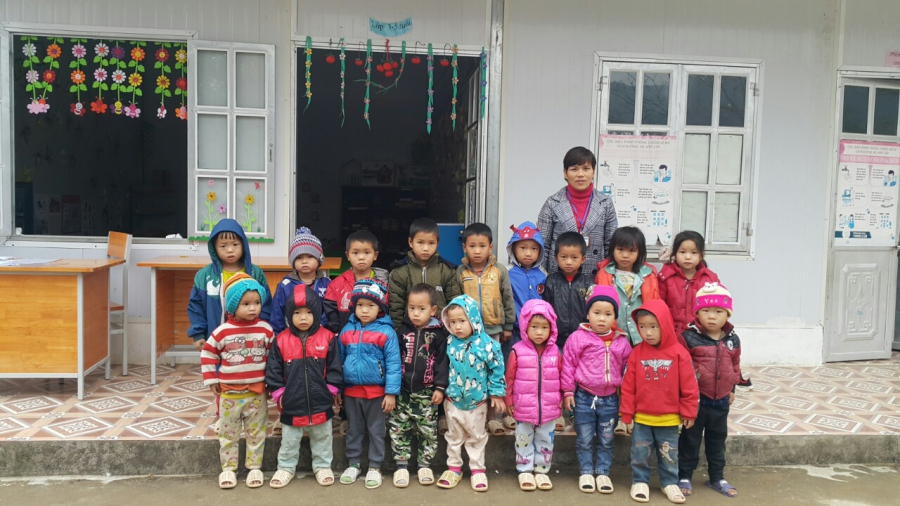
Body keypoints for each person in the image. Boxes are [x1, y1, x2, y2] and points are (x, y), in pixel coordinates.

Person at [620, 300, 698, 504]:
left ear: (665, 324)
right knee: (640, 452)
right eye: (642, 327)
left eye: (654, 326)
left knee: (669, 454)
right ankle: (640, 481)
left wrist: (689, 411)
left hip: (669, 418)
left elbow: (690, 386)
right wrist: (626, 413)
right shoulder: (637, 353)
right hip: (642, 418)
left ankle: (669, 482)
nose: (648, 333)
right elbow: (628, 386)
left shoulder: (679, 353)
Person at [200, 273, 274, 489]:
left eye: (257, 303)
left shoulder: (266, 330)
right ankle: (228, 469)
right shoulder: (222, 332)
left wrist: (273, 383)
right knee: (228, 434)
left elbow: (274, 359)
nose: (253, 308)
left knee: (256, 434)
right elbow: (208, 353)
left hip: (257, 394)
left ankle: (254, 467)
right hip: (229, 395)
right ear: (233, 306)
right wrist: (211, 379)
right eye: (246, 304)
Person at [266, 284, 343, 489]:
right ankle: (286, 467)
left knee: (323, 437)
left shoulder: (328, 338)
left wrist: (331, 390)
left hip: (321, 402)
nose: (303, 318)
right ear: (289, 315)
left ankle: (322, 466)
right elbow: (273, 370)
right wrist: (280, 394)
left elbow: (335, 367)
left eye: (309, 312)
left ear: (317, 313)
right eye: (297, 313)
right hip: (292, 403)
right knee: (289, 440)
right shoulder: (281, 340)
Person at [562, 285, 632, 494]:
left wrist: (626, 397)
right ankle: (585, 471)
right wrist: (568, 391)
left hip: (610, 399)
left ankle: (602, 473)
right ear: (588, 314)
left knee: (607, 439)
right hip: (584, 396)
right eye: (597, 313)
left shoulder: (621, 342)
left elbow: (629, 370)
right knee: (584, 438)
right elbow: (568, 365)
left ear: (615, 317)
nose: (602, 318)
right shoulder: (578, 338)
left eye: (608, 314)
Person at [436, 295, 506, 492]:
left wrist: (497, 393)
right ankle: (454, 468)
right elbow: (441, 367)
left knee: (476, 437)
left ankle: (477, 470)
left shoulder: (488, 345)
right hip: (453, 400)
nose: (457, 326)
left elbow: (497, 370)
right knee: (454, 436)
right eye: (452, 322)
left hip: (477, 402)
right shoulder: (449, 343)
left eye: (462, 321)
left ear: (473, 319)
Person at [678, 283, 740, 499]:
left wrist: (732, 388)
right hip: (696, 401)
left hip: (721, 401)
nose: (712, 316)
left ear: (727, 314)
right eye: (706, 310)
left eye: (718, 311)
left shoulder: (732, 339)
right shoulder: (689, 337)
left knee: (717, 441)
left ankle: (717, 477)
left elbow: (735, 365)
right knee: (690, 440)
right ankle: (684, 476)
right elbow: (682, 369)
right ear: (697, 313)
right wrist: (684, 398)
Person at [338, 279, 401, 489]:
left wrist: (391, 392)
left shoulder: (387, 332)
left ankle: (375, 466)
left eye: (371, 305)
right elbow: (338, 360)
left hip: (376, 393)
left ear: (380, 307)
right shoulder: (347, 331)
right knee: (354, 429)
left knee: (376, 430)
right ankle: (353, 463)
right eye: (360, 305)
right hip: (351, 392)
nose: (364, 310)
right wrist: (338, 389)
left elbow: (394, 364)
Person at [389, 284, 449, 488]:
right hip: (402, 391)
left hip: (427, 393)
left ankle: (425, 465)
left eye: (421, 309)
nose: (415, 313)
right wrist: (392, 388)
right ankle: (401, 466)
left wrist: (440, 388)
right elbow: (394, 360)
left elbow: (442, 363)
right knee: (399, 429)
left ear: (433, 310)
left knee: (428, 431)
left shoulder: (439, 335)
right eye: (411, 308)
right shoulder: (402, 331)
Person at [188, 218, 272, 352]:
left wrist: (263, 329)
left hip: (251, 340)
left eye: (235, 244)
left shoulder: (255, 274)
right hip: (216, 340)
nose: (230, 250)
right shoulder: (204, 276)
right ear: (214, 248)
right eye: (223, 246)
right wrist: (198, 334)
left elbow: (266, 305)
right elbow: (196, 307)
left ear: (243, 245)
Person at [504, 299, 562, 492]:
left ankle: (542, 470)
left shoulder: (555, 351)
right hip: (523, 406)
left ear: (552, 328)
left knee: (546, 440)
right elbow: (509, 378)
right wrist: (509, 399)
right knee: (523, 439)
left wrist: (561, 399)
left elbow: (561, 376)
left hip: (548, 407)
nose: (539, 332)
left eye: (544, 327)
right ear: (525, 327)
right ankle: (525, 469)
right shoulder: (517, 350)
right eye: (534, 327)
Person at [537, 146, 618, 278]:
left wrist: (608, 278)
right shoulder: (552, 203)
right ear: (565, 173)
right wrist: (542, 279)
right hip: (558, 278)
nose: (580, 174)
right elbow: (542, 246)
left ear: (593, 171)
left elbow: (611, 245)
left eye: (586, 168)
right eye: (574, 169)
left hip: (595, 277)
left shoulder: (605, 203)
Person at [504, 221, 548, 430]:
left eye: (534, 248)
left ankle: (535, 409)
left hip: (538, 335)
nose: (528, 253)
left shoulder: (544, 276)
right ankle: (510, 409)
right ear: (513, 249)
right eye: (522, 247)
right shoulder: (507, 274)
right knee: (512, 370)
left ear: (540, 251)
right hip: (514, 333)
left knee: (534, 373)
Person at [388, 218, 462, 328]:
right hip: (409, 331)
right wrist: (399, 332)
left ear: (437, 243)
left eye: (431, 243)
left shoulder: (447, 271)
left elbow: (454, 303)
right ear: (410, 242)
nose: (426, 248)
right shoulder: (400, 272)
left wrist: (450, 331)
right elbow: (396, 308)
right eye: (420, 242)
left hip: (440, 331)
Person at [594, 226, 660, 345]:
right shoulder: (604, 274)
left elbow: (654, 304)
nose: (625, 255)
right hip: (613, 334)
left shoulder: (648, 276)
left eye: (631, 251)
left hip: (641, 335)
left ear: (639, 252)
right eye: (620, 249)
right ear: (612, 250)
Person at [324, 230, 389, 333]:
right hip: (345, 338)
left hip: (375, 338)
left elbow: (386, 313)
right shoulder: (336, 284)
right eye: (355, 253)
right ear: (348, 256)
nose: (361, 257)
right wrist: (337, 334)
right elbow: (331, 314)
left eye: (367, 252)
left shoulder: (383, 284)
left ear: (375, 255)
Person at [270, 227, 331, 335]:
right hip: (292, 335)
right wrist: (279, 336)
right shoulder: (285, 285)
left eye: (310, 256)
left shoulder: (326, 283)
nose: (304, 261)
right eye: (299, 257)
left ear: (319, 259)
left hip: (319, 334)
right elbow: (277, 313)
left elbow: (329, 309)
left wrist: (321, 323)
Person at [658, 231, 719, 338]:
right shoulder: (665, 278)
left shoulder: (710, 279)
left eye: (694, 253)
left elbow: (717, 309)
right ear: (675, 254)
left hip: (701, 335)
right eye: (682, 252)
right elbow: (659, 308)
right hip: (671, 334)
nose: (687, 257)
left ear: (701, 255)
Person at [541, 231, 594, 351]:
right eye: (564, 257)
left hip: (582, 339)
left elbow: (591, 311)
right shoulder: (551, 281)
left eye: (574, 257)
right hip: (556, 340)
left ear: (583, 259)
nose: (569, 262)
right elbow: (546, 310)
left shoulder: (588, 284)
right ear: (556, 257)